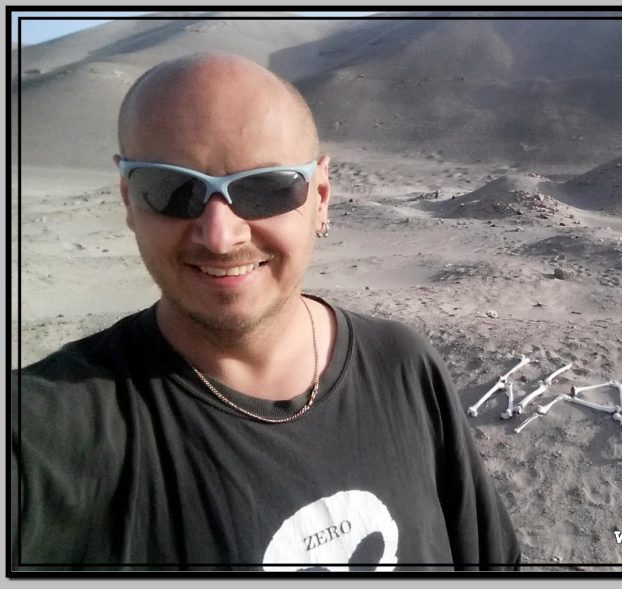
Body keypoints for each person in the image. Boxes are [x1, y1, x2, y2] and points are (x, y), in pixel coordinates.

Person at [12, 52, 521, 572]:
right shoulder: (44, 430)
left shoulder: (403, 366)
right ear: (128, 199)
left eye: (266, 188)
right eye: (169, 189)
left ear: (320, 197)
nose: (219, 235)